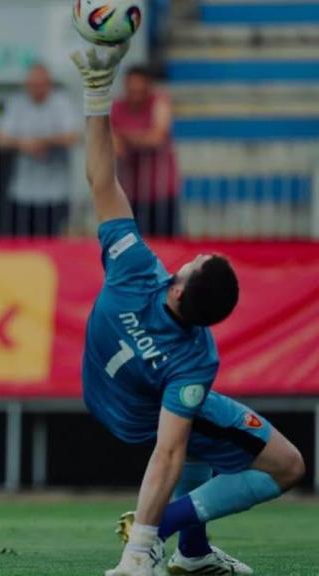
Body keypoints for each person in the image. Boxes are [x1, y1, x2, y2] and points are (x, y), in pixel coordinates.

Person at [71, 43, 306, 576]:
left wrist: (96, 95)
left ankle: (193, 554)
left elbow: (101, 180)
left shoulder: (134, 267)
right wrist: (143, 540)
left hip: (105, 395)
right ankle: (165, 532)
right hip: (144, 411)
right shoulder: (196, 355)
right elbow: (167, 452)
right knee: (289, 465)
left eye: (198, 262)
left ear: (179, 289)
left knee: (197, 439)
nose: (195, 255)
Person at [0, 63, 80, 237]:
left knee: (53, 243)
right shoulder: (17, 103)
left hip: (55, 193)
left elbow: (73, 136)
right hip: (22, 191)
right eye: (33, 84)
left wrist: (44, 143)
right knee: (22, 244)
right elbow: (0, 139)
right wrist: (23, 144)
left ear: (49, 83)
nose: (37, 88)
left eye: (41, 84)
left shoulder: (61, 103)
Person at [111, 66, 180, 237]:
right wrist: (140, 138)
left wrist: (126, 137)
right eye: (131, 89)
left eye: (139, 89)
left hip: (160, 190)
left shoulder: (159, 103)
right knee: (131, 241)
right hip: (128, 191)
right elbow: (114, 145)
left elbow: (157, 137)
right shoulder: (117, 107)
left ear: (148, 87)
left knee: (164, 242)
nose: (135, 93)